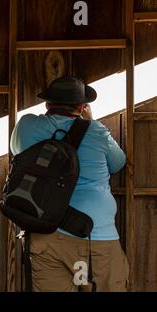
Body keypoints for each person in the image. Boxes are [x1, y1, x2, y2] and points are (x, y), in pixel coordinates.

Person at [10, 76, 128, 292]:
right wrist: (89, 122)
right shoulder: (97, 131)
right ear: (82, 106)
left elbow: (18, 153)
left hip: (46, 235)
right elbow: (118, 163)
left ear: (47, 104)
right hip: (95, 236)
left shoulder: (26, 126)